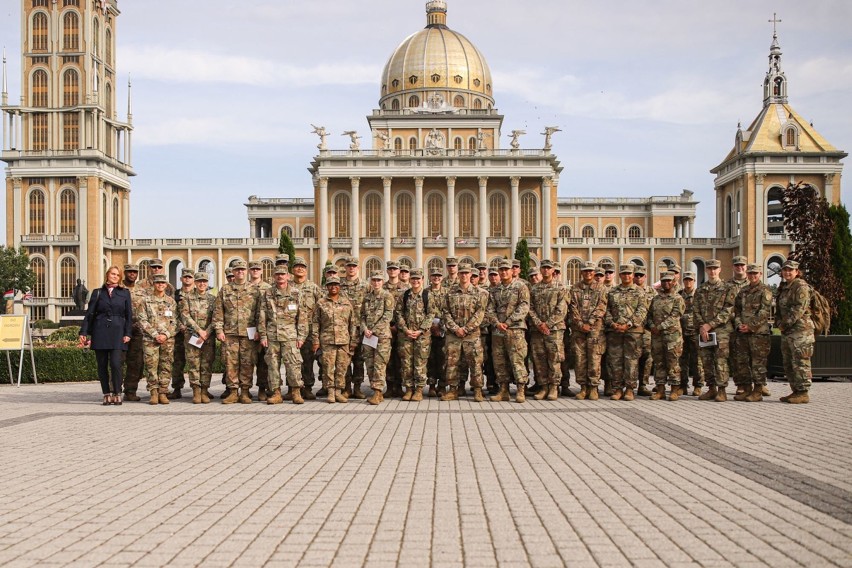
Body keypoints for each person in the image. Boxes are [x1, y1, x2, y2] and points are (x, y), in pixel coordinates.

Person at [79, 266, 132, 405]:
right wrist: (83, 332)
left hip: (118, 332)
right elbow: (89, 314)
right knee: (102, 365)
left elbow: (129, 315)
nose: (114, 276)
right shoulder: (97, 293)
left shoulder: (125, 293)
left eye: (117, 275)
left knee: (116, 364)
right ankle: (106, 393)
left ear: (120, 278)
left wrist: (128, 333)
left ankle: (117, 392)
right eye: (112, 274)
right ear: (107, 275)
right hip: (100, 331)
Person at [213, 260, 261, 404]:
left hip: (249, 334)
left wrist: (259, 330)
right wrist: (219, 330)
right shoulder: (225, 290)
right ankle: (233, 392)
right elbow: (218, 312)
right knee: (230, 364)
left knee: (247, 363)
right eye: (237, 270)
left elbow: (260, 312)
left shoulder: (254, 290)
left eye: (242, 269)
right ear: (233, 272)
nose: (240, 272)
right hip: (230, 333)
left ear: (246, 272)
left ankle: (245, 392)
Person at [259, 266, 307, 405]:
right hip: (272, 336)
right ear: (274, 276)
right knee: (273, 366)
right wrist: (263, 335)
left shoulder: (296, 293)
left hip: (290, 336)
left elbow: (302, 317)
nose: (280, 276)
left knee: (293, 365)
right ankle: (276, 393)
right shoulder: (268, 293)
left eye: (283, 274)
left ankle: (296, 392)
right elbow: (262, 315)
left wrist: (301, 337)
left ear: (288, 276)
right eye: (277, 274)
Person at [442, 263, 488, 401]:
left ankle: (478, 390)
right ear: (458, 274)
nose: (464, 275)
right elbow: (446, 312)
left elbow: (480, 313)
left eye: (466, 273)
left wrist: (466, 329)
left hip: (472, 334)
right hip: (453, 334)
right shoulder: (450, 292)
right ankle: (453, 390)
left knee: (475, 362)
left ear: (470, 274)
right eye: (461, 273)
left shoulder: (480, 293)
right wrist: (456, 328)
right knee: (452, 363)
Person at [694, 259, 736, 402]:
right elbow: (696, 310)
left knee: (720, 361)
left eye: (715, 268)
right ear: (706, 270)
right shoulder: (700, 289)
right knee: (706, 360)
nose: (712, 271)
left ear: (719, 270)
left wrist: (710, 325)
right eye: (710, 268)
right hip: (704, 331)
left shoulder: (727, 288)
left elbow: (728, 310)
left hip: (721, 330)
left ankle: (722, 390)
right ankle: (711, 388)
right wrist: (702, 326)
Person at [311, 276, 359, 403]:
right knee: (328, 367)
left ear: (340, 287)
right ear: (327, 287)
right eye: (331, 285)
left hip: (344, 341)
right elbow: (315, 323)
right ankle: (330, 392)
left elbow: (352, 323)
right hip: (327, 340)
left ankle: (338, 391)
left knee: (342, 367)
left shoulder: (346, 302)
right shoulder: (321, 303)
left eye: (336, 285)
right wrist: (315, 340)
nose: (333, 287)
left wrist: (353, 341)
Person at [488, 259, 530, 403]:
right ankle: (503, 390)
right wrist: (497, 323)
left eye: (507, 269)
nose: (504, 272)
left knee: (517, 359)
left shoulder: (521, 286)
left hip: (515, 329)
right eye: (502, 270)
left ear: (512, 271)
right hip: (498, 330)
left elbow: (524, 306)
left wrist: (508, 322)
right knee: (499, 360)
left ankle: (520, 390)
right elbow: (490, 309)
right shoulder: (495, 289)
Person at [604, 264, 648, 401]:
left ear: (633, 275)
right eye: (624, 273)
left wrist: (628, 324)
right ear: (620, 275)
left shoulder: (640, 292)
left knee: (631, 361)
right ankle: (617, 389)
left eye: (629, 273)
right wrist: (612, 323)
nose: (626, 276)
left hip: (633, 332)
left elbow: (642, 310)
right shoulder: (612, 292)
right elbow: (606, 310)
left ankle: (629, 389)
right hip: (615, 331)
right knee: (615, 361)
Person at [775, 260, 815, 404]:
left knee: (800, 361)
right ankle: (795, 390)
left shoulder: (801, 286)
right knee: (788, 362)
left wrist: (784, 324)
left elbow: (799, 308)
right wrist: (779, 322)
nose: (787, 272)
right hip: (788, 331)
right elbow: (779, 309)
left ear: (797, 271)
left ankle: (803, 392)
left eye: (790, 270)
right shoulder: (784, 287)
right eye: (785, 270)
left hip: (800, 331)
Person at [732, 264, 773, 402]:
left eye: (755, 273)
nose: (752, 276)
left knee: (758, 363)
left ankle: (758, 391)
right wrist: (739, 325)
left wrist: (750, 326)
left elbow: (764, 312)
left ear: (760, 274)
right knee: (742, 362)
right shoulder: (743, 291)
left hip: (758, 334)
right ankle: (747, 389)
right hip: (742, 333)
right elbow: (736, 311)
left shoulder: (765, 290)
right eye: (750, 273)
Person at [528, 260, 568, 400]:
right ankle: (543, 386)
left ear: (553, 270)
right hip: (537, 330)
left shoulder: (560, 287)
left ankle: (553, 387)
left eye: (548, 268)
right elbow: (530, 308)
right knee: (539, 359)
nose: (546, 270)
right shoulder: (534, 289)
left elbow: (561, 309)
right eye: (543, 268)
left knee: (554, 359)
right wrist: (539, 324)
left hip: (554, 330)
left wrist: (548, 324)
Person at [568, 261, 607, 400]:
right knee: (580, 359)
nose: (588, 273)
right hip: (579, 330)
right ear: (581, 272)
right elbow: (572, 307)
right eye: (585, 271)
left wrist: (589, 323)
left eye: (590, 271)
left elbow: (601, 307)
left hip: (595, 330)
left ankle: (594, 388)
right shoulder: (575, 288)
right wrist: (579, 323)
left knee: (594, 359)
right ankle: (583, 388)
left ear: (594, 273)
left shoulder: (601, 288)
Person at [395, 269, 436, 402]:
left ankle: (418, 390)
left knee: (420, 362)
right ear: (410, 280)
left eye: (418, 279)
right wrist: (405, 329)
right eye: (413, 279)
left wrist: (421, 329)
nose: (415, 281)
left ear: (422, 280)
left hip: (422, 335)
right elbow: (398, 313)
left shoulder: (427, 295)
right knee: (406, 363)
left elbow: (431, 314)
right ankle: (409, 389)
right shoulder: (404, 295)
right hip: (406, 335)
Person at [137, 274, 178, 405]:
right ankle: (153, 392)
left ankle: (163, 392)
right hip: (150, 340)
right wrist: (155, 335)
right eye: (158, 283)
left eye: (163, 283)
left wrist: (165, 335)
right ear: (153, 284)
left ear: (166, 285)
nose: (160, 285)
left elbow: (175, 322)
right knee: (151, 366)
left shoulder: (171, 302)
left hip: (167, 340)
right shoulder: (145, 301)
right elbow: (142, 320)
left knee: (166, 366)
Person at [646, 272, 685, 400]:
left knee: (673, 363)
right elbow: (649, 315)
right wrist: (651, 325)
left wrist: (659, 327)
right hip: (657, 337)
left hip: (672, 337)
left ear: (674, 282)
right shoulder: (656, 299)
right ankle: (660, 389)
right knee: (659, 363)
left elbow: (675, 316)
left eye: (669, 281)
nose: (666, 283)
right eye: (663, 281)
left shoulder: (677, 298)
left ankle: (674, 389)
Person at [180, 271, 216, 404]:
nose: (202, 284)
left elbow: (216, 318)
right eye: (199, 281)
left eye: (204, 282)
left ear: (207, 284)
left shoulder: (212, 299)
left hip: (208, 337)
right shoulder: (187, 298)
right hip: (192, 336)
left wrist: (207, 332)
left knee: (206, 364)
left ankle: (205, 390)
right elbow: (185, 316)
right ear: (195, 283)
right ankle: (196, 390)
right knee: (194, 364)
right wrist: (199, 330)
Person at [361, 270, 395, 404]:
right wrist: (365, 329)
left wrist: (373, 329)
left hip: (382, 336)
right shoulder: (367, 298)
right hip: (368, 336)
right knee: (369, 364)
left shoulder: (387, 296)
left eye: (379, 280)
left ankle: (378, 391)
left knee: (380, 364)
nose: (376, 282)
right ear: (371, 281)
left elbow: (388, 315)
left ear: (382, 281)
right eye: (374, 280)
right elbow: (362, 316)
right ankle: (375, 389)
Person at [289, 256, 321, 400]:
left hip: (308, 330)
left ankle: (307, 388)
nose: (300, 268)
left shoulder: (313, 287)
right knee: (291, 361)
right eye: (297, 266)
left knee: (308, 360)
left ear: (306, 270)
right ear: (292, 270)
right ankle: (292, 388)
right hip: (290, 330)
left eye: (303, 266)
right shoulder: (288, 287)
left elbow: (322, 306)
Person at [340, 257, 369, 399]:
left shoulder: (366, 286)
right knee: (344, 359)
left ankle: (357, 387)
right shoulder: (338, 285)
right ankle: (346, 388)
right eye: (349, 266)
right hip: (343, 329)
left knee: (359, 359)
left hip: (360, 328)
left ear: (358, 268)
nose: (351, 268)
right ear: (345, 268)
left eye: (354, 266)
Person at [167, 268, 195, 400]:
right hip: (178, 334)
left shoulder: (197, 295)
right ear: (181, 279)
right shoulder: (175, 296)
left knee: (196, 361)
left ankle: (199, 388)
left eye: (190, 277)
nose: (187, 279)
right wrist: (180, 326)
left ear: (193, 279)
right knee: (178, 362)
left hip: (193, 334)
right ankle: (177, 388)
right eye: (185, 277)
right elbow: (171, 314)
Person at [727, 256, 752, 400]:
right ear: (733, 267)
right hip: (733, 325)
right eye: (737, 265)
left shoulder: (752, 283)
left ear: (746, 267)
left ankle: (759, 384)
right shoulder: (727, 285)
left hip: (751, 326)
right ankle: (740, 385)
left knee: (755, 356)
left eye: (742, 265)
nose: (739, 268)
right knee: (737, 357)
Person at [121, 263, 146, 401]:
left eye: (134, 272)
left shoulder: (141, 291)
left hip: (137, 330)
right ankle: (115, 390)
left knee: (136, 362)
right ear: (125, 273)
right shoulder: (119, 289)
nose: (132, 274)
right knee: (118, 361)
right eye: (129, 272)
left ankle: (130, 391)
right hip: (120, 330)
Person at [678, 272, 705, 396]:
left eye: (690, 280)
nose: (688, 282)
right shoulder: (679, 295)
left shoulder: (700, 295)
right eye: (686, 280)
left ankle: (698, 385)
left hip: (695, 332)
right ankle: (682, 385)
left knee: (697, 360)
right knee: (682, 360)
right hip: (681, 332)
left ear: (694, 281)